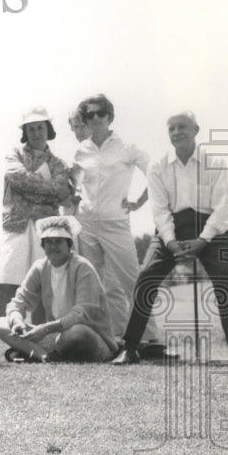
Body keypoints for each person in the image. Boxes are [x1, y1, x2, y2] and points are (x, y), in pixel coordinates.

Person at [113, 112, 228, 368]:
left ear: (196, 129)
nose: (176, 132)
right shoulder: (158, 164)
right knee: (146, 277)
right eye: (171, 128)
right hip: (172, 229)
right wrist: (170, 242)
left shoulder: (215, 161)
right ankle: (131, 347)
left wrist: (202, 240)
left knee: (225, 281)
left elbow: (222, 208)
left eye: (182, 127)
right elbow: (159, 209)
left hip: (212, 229)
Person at [0, 108, 71, 361]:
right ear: (25, 132)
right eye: (31, 128)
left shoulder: (59, 163)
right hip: (15, 226)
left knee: (42, 290)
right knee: (5, 289)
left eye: (40, 127)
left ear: (48, 130)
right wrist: (48, 190)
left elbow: (62, 192)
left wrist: (38, 188)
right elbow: (17, 178)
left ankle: (40, 348)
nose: (36, 133)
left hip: (44, 230)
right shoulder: (13, 154)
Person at [73, 93, 151, 337]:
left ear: (110, 116)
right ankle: (113, 339)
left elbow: (157, 174)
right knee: (98, 287)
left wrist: (138, 202)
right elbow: (74, 187)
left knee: (132, 282)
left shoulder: (127, 147)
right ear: (84, 120)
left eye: (100, 113)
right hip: (86, 226)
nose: (95, 118)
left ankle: (150, 339)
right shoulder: (81, 151)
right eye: (89, 115)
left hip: (116, 224)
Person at [0, 216, 118, 363]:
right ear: (43, 246)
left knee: (76, 333)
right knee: (0, 323)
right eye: (48, 242)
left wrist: (45, 329)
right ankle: (45, 356)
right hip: (57, 335)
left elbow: (82, 315)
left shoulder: (83, 267)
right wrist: (17, 321)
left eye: (58, 241)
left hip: (91, 336)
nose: (53, 246)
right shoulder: (40, 268)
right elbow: (18, 303)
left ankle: (28, 352)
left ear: (69, 244)